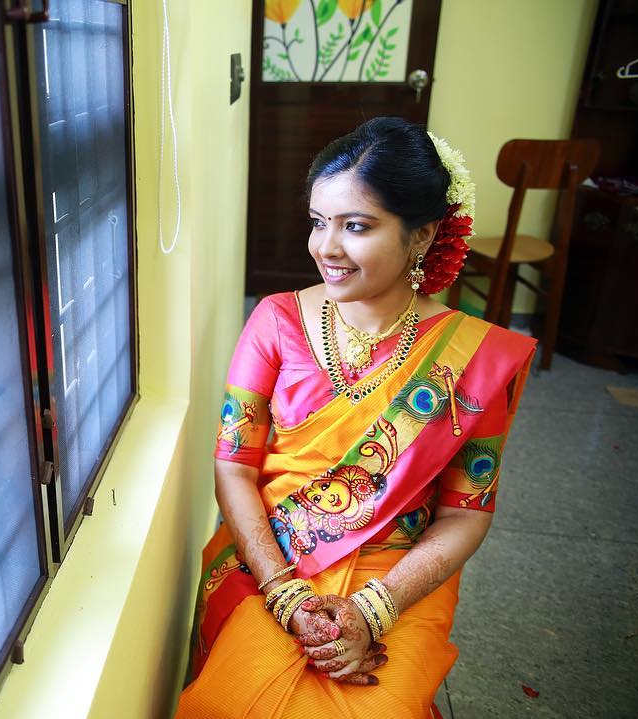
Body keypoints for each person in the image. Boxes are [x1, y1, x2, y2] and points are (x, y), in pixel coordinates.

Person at [176, 117, 536, 718]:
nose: (327, 247)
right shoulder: (275, 320)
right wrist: (283, 593)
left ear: (421, 236)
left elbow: (465, 514)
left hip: (399, 571)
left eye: (357, 226)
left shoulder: (473, 358)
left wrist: (375, 609)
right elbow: (233, 468)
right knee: (226, 702)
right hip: (273, 552)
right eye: (319, 222)